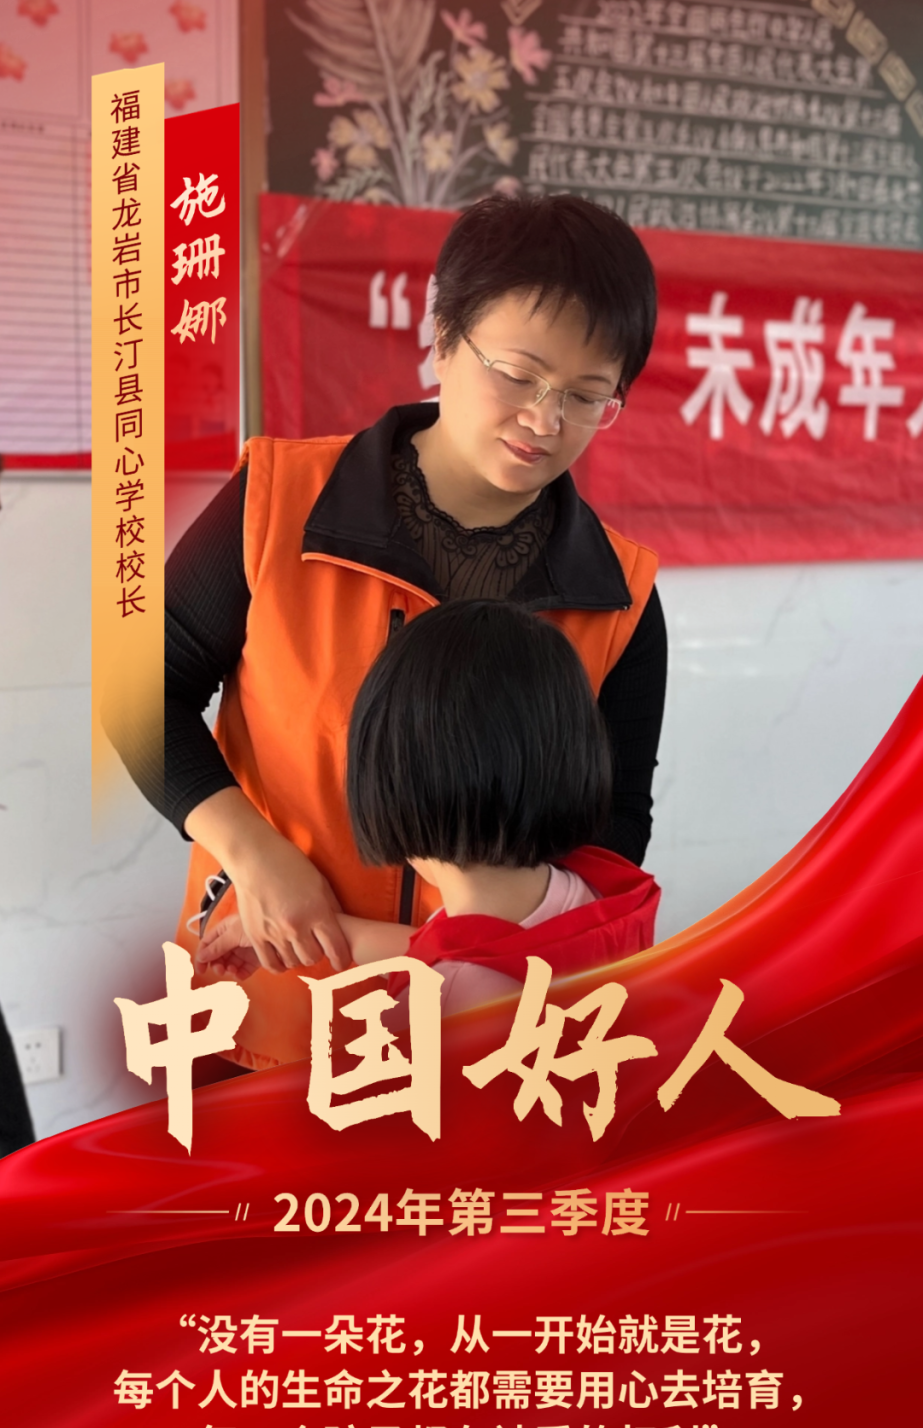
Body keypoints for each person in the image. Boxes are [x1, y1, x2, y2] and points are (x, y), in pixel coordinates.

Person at [118, 193, 666, 1068]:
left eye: (585, 395)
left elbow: (609, 835)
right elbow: (141, 690)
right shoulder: (278, 503)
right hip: (270, 1008)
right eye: (518, 374)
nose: (544, 419)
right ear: (443, 335)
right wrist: (253, 854)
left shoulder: (619, 596)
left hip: (480, 1045)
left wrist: (460, 962)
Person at [197, 602, 660, 1015]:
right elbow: (464, 949)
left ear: (392, 788)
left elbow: (456, 968)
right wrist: (334, 933)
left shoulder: (444, 1006)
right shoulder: (591, 897)